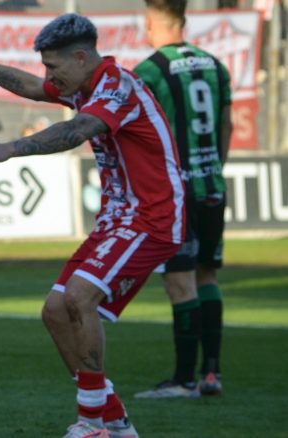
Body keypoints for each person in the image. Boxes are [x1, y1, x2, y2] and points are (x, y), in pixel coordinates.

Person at [0, 13, 185, 438]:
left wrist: (10, 147)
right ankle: (116, 420)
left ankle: (92, 423)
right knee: (54, 311)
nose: (48, 76)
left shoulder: (116, 86)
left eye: (53, 66)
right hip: (120, 219)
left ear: (81, 57)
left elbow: (78, 131)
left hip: (152, 216)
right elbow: (28, 86)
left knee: (79, 299)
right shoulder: (86, 84)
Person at [132, 0, 231, 399]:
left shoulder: (149, 71)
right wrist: (214, 170)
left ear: (151, 22)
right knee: (207, 276)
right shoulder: (215, 65)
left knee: (179, 284)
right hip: (212, 186)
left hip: (176, 194)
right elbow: (226, 123)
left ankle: (183, 380)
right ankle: (211, 373)